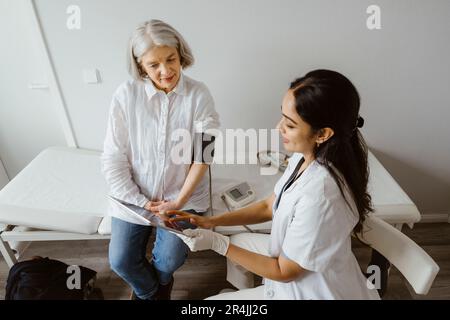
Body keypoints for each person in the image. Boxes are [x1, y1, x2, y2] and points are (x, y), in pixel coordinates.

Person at [169, 70, 381, 300]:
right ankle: (244, 291)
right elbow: (269, 206)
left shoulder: (321, 197)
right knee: (239, 241)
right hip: (297, 269)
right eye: (282, 117)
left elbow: (284, 271)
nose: (279, 127)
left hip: (310, 292)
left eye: (290, 125)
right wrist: (212, 221)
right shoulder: (306, 156)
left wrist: (217, 244)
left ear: (322, 134)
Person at [101, 19, 220, 300]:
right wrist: (142, 201)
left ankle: (158, 284)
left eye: (171, 60)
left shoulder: (199, 94)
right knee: (120, 261)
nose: (165, 71)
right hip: (133, 198)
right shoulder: (125, 95)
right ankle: (153, 292)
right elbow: (113, 157)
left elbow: (202, 157)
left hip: (183, 197)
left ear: (181, 55)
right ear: (139, 64)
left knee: (169, 261)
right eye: (154, 65)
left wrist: (178, 202)